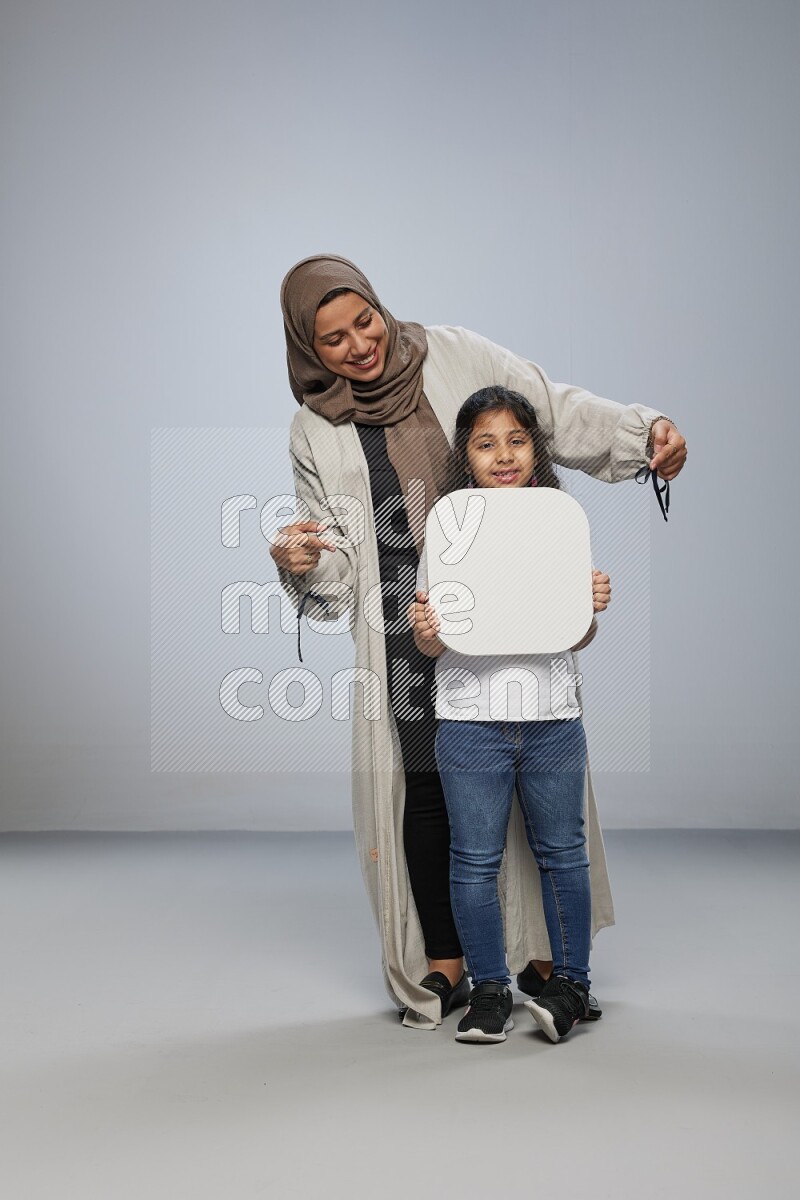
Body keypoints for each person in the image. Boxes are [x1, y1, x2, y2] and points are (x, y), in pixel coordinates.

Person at [272, 254, 687, 1029]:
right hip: (403, 621)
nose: (359, 344)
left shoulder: (455, 354)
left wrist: (644, 434)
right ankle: (449, 964)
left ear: (379, 305)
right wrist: (301, 558)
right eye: (332, 339)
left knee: (527, 772)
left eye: (364, 319)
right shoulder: (313, 427)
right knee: (431, 785)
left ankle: (539, 952)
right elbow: (327, 541)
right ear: (307, 349)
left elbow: (551, 413)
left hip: (510, 609)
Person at [412, 386, 607, 1044]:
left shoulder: (559, 521)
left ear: (534, 449)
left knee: (563, 853)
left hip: (551, 713)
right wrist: (426, 628)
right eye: (486, 442)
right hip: (470, 718)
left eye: (517, 440)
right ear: (466, 455)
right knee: (474, 859)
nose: (504, 454)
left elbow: (573, 634)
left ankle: (572, 983)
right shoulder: (447, 525)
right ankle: (490, 991)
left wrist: (589, 606)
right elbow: (431, 640)